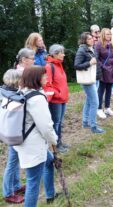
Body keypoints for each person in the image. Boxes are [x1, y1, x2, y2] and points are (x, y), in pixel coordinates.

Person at [14, 66, 58, 206]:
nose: (46, 78)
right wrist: (54, 141)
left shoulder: (21, 92)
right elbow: (46, 127)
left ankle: (50, 194)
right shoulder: (37, 99)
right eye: (44, 76)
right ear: (36, 79)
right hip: (33, 146)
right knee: (33, 183)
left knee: (49, 161)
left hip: (22, 141)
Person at [74, 32, 106, 133]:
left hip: (94, 78)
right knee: (95, 103)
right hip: (88, 81)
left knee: (89, 101)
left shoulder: (91, 48)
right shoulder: (82, 50)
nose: (92, 39)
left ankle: (85, 122)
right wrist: (89, 63)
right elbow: (77, 65)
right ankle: (93, 126)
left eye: (92, 38)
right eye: (89, 39)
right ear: (84, 40)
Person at [1, 69, 25, 204]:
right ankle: (8, 193)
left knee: (14, 161)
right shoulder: (15, 97)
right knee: (11, 163)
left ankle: (16, 186)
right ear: (16, 81)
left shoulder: (5, 91)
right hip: (13, 133)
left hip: (7, 131)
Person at [43, 44, 70, 153]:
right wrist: (58, 94)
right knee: (56, 123)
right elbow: (47, 85)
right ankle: (55, 145)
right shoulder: (49, 66)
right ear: (55, 54)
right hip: (55, 101)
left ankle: (59, 142)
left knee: (60, 122)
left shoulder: (59, 65)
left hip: (62, 99)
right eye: (61, 53)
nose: (64, 54)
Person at [95, 28, 113, 119]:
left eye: (110, 34)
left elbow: (112, 56)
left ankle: (107, 108)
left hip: (111, 70)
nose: (109, 36)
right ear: (103, 35)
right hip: (103, 70)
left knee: (109, 89)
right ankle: (99, 109)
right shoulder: (98, 45)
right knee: (101, 90)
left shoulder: (111, 44)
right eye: (107, 34)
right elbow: (96, 58)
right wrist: (103, 67)